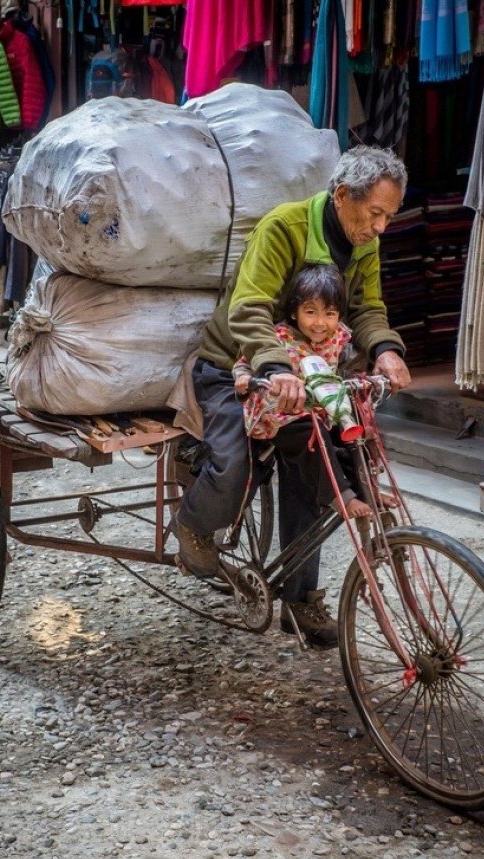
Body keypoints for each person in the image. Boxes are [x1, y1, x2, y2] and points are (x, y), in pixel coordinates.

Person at [176, 145, 411, 647]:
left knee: (316, 461)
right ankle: (193, 526)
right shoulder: (284, 227)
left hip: (310, 377)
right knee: (231, 465)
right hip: (235, 367)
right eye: (375, 214)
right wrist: (278, 368)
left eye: (389, 217)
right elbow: (249, 307)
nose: (381, 228)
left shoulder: (365, 244)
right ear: (343, 195)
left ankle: (300, 601)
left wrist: (386, 350)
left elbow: (368, 308)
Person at [231, 262, 372, 520]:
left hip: (320, 407)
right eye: (311, 312)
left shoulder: (339, 338)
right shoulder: (280, 336)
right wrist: (243, 378)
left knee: (357, 423)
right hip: (279, 414)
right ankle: (341, 496)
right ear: (295, 312)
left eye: (329, 314)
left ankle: (367, 488)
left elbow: (349, 365)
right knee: (310, 431)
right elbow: (243, 363)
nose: (320, 323)